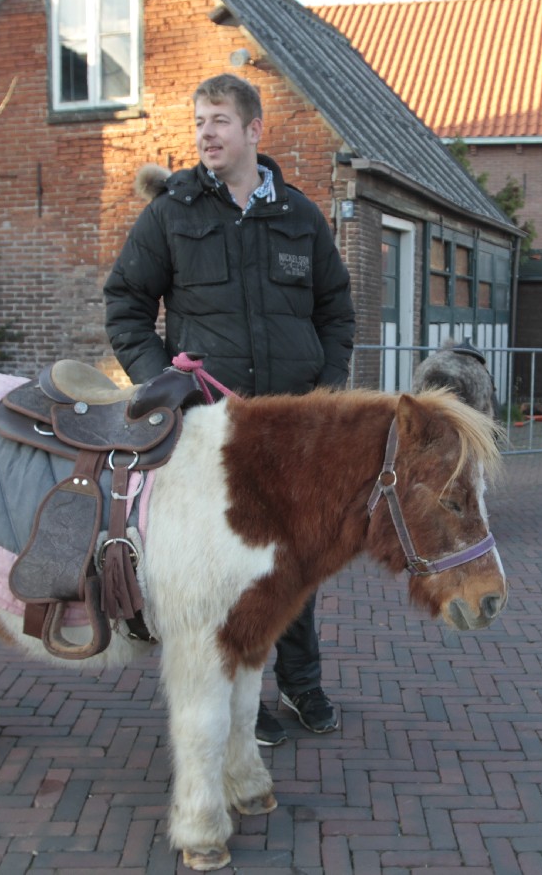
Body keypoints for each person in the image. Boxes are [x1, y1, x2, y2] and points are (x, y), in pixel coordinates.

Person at [104, 74, 356, 748]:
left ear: (253, 130)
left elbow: (336, 310)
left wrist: (328, 389)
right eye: (198, 122)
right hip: (210, 430)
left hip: (293, 429)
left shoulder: (301, 217)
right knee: (225, 566)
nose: (205, 133)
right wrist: (164, 383)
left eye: (218, 120)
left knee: (296, 558)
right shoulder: (172, 213)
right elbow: (125, 304)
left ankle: (301, 684)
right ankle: (244, 696)